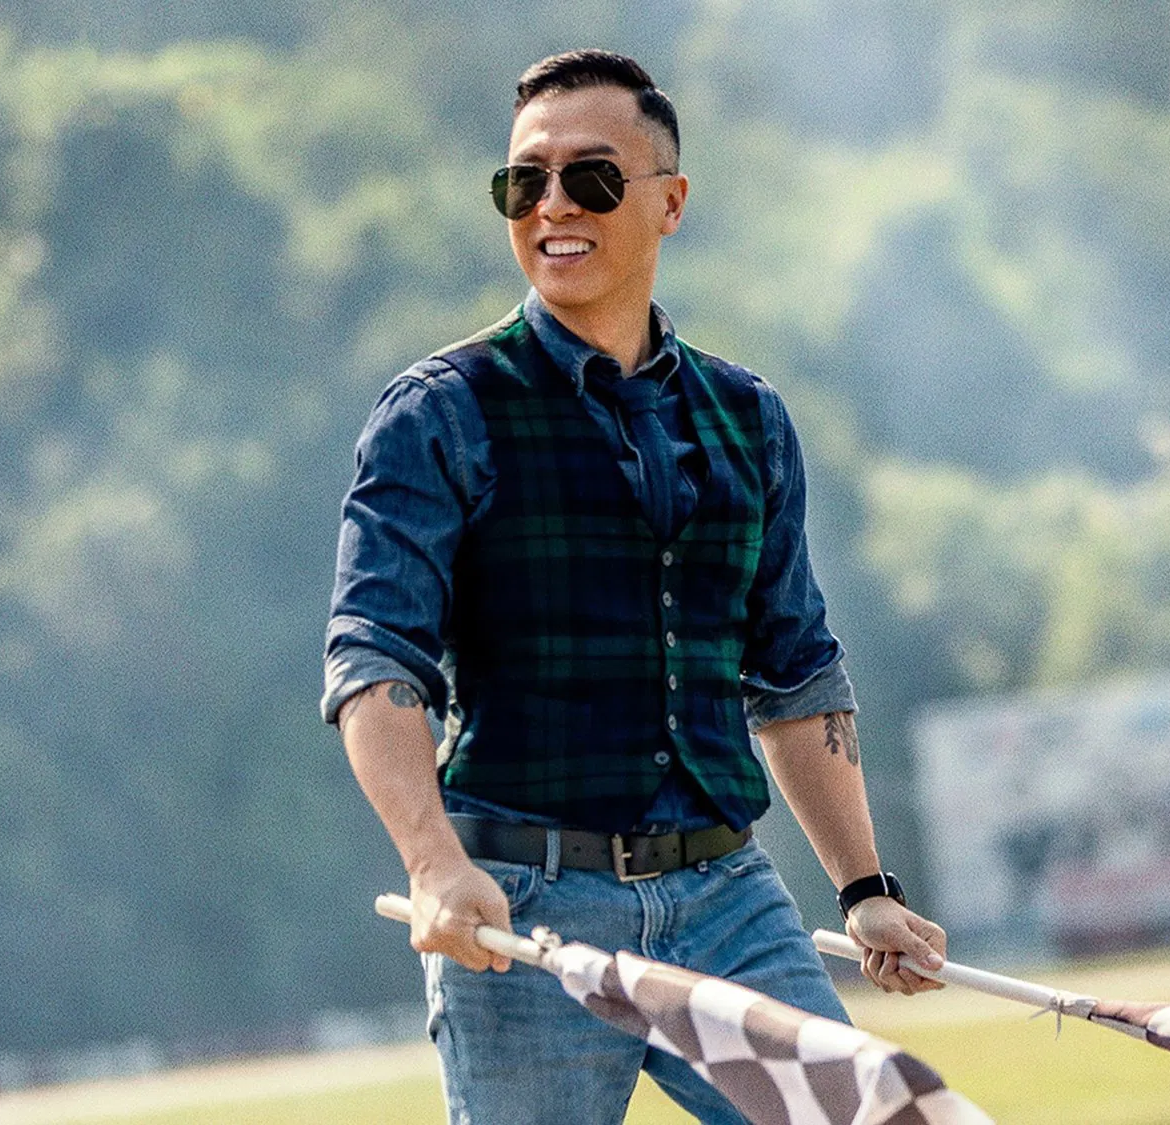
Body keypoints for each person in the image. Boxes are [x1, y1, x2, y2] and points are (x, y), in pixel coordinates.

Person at [322, 49, 948, 1125]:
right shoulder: (438, 413)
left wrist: (863, 890)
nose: (553, 205)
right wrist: (432, 863)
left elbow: (795, 672)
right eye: (524, 181)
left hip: (728, 901)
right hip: (521, 913)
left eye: (592, 178)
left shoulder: (748, 418)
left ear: (669, 202)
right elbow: (374, 658)